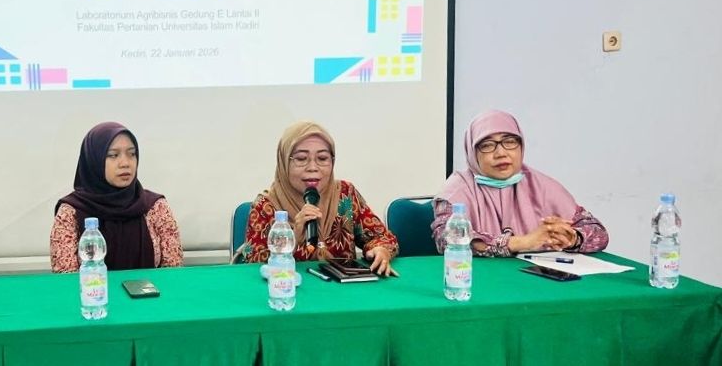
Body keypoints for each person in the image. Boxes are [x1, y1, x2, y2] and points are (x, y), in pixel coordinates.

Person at [433, 110, 609, 256]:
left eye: (510, 142)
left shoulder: (541, 185)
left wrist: (572, 238)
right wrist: (523, 242)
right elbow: (446, 239)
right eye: (487, 145)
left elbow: (599, 233)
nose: (501, 153)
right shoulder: (457, 190)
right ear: (472, 152)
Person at [242, 121, 398, 275]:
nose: (312, 168)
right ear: (283, 162)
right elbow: (253, 264)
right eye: (301, 159)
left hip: (341, 288)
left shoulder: (345, 194)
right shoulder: (265, 205)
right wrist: (293, 236)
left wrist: (381, 250)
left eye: (322, 158)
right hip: (288, 287)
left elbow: (382, 237)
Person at [51, 122, 183, 272]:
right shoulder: (70, 212)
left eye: (132, 154)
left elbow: (173, 272)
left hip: (152, 288)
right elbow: (65, 278)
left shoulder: (155, 206)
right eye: (113, 155)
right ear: (94, 160)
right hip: (92, 288)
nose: (125, 163)